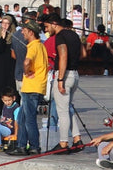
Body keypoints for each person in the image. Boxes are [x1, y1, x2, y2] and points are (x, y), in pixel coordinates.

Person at [47, 12, 86, 150]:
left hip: (64, 75)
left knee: (62, 111)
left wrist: (60, 79)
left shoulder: (60, 36)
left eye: (47, 26)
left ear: (54, 24)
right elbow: (83, 54)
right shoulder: (74, 35)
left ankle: (63, 143)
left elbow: (63, 56)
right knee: (68, 109)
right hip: (75, 74)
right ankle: (77, 139)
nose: (46, 30)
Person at [18, 20, 49, 154]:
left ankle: (35, 146)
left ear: (31, 32)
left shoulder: (33, 46)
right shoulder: (41, 46)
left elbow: (27, 61)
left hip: (31, 87)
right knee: (22, 118)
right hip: (37, 86)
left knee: (29, 119)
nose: (22, 32)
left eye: (24, 30)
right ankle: (21, 145)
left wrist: (26, 71)